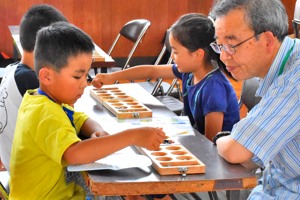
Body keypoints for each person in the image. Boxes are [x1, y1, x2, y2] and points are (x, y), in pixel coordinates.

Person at [9, 21, 166, 199]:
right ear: (46, 76)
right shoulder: (45, 113)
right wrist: (132, 136)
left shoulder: (45, 100)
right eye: (77, 76)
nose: (84, 83)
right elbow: (76, 154)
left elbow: (80, 118)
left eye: (86, 75)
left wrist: (98, 131)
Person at [92, 13, 240, 141]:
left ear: (198, 54)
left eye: (175, 52)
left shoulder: (213, 88)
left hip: (216, 159)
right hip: (196, 139)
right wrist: (112, 77)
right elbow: (152, 72)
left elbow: (210, 141)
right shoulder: (190, 71)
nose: (172, 57)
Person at [209, 0, 300, 199]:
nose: (224, 56)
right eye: (220, 45)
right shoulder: (285, 63)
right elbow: (251, 158)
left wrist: (222, 139)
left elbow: (236, 151)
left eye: (231, 45)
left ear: (267, 40)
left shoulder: (296, 76)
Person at [0, 4, 68, 172]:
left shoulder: (12, 70)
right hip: (33, 176)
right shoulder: (31, 82)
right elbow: (65, 123)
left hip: (13, 164)